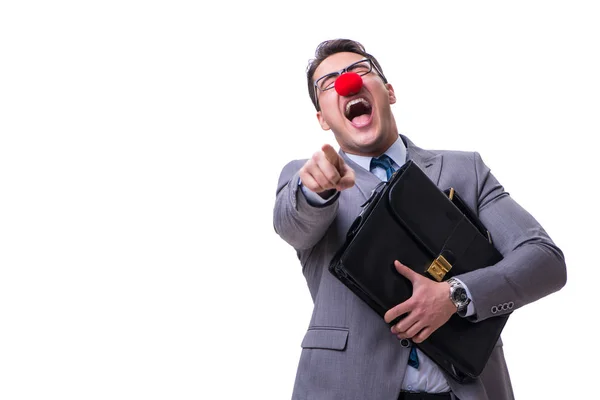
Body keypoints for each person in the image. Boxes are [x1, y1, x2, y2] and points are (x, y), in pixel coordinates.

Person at [272, 39, 567, 400]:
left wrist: (456, 295)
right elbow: (293, 225)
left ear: (389, 92)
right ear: (322, 117)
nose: (348, 82)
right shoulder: (305, 179)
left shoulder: (465, 170)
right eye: (329, 82)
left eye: (359, 70)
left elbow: (544, 260)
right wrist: (315, 189)